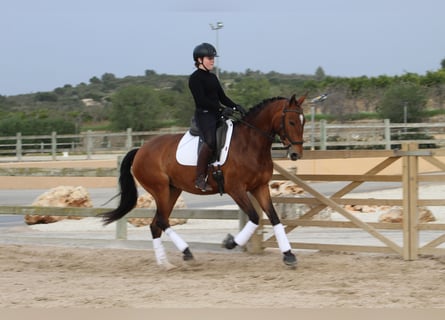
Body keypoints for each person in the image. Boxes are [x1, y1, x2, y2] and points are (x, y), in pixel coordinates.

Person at [188, 42, 246, 192]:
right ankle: (200, 178)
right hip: (204, 115)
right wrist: (221, 109)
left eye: (213, 57)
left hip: (217, 113)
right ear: (199, 60)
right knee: (211, 141)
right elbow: (202, 101)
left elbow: (222, 97)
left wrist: (235, 106)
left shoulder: (213, 78)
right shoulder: (194, 79)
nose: (213, 60)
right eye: (209, 58)